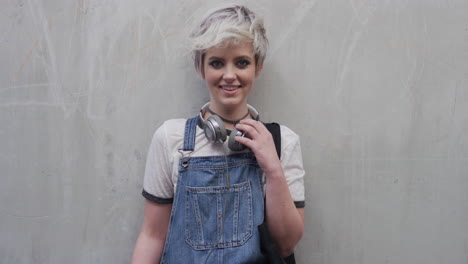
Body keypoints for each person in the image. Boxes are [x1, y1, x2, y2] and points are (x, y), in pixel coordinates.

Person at [132, 5, 305, 264]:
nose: (229, 75)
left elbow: (286, 244)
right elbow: (152, 235)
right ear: (200, 67)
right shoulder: (171, 139)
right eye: (216, 62)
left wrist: (273, 169)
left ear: (258, 67)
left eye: (242, 62)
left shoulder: (283, 142)